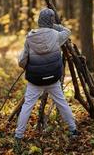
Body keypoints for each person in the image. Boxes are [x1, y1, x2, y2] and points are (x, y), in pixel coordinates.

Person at [14, 8, 79, 143]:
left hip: (35, 79)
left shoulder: (30, 37)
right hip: (53, 78)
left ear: (39, 20)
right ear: (52, 21)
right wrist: (54, 25)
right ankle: (73, 129)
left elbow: (22, 60)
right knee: (61, 102)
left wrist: (25, 66)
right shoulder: (56, 35)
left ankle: (18, 136)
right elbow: (67, 31)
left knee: (27, 106)